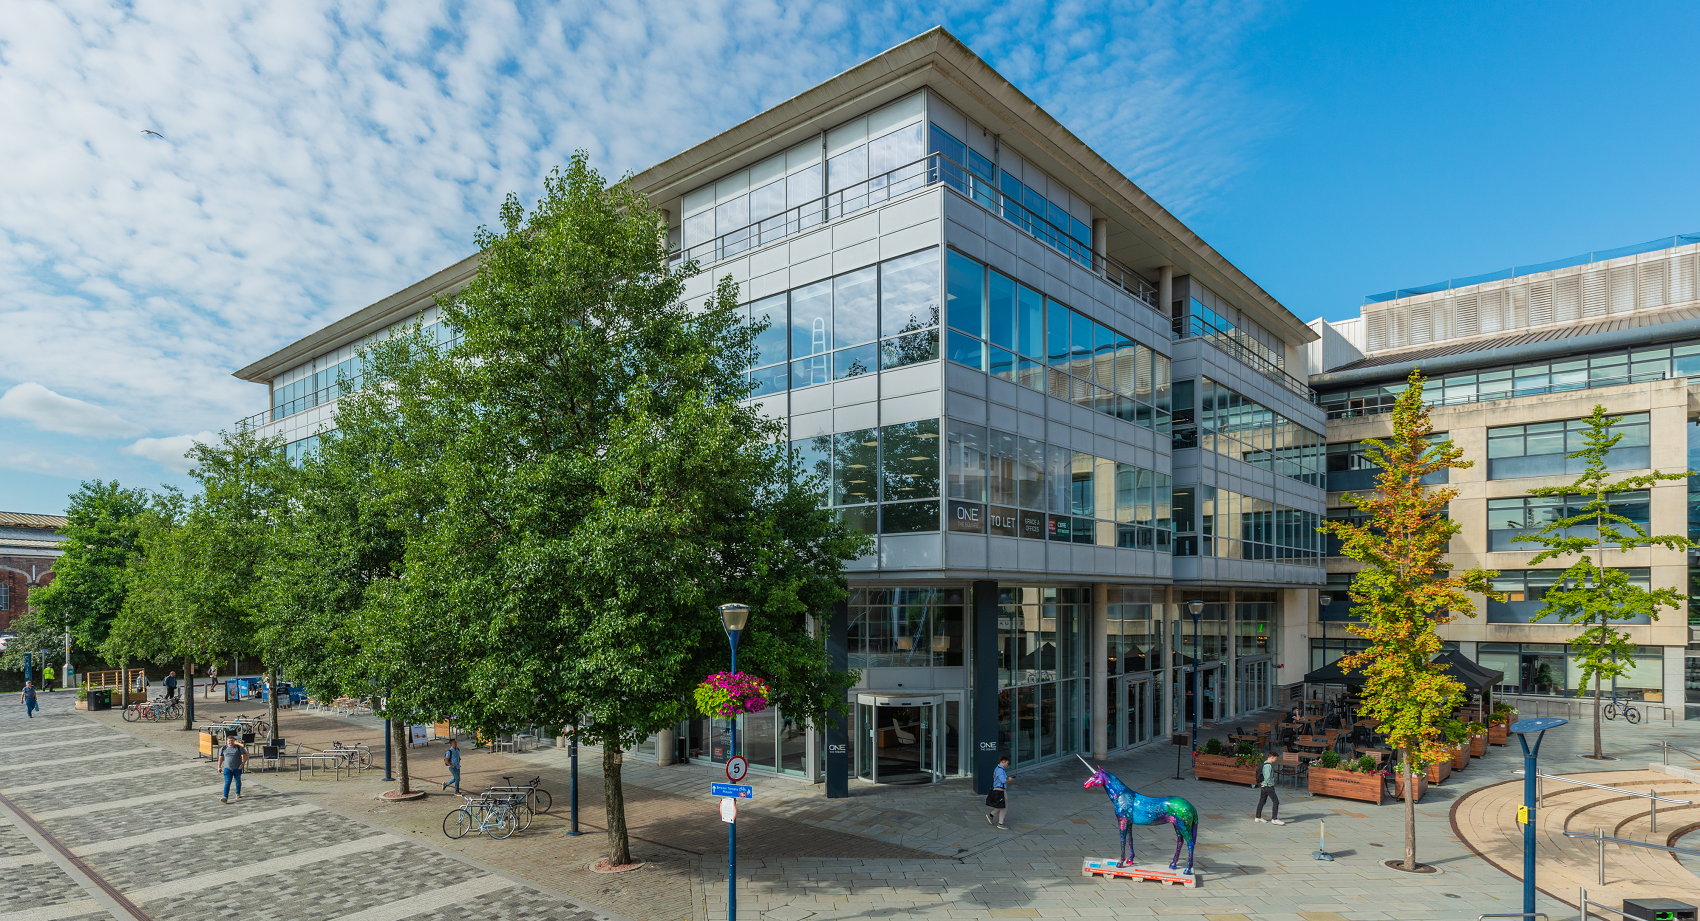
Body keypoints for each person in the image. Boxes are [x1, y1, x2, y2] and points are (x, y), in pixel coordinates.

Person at [1253, 753, 1284, 825]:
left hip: (1263, 786)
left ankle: (1258, 817)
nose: (1276, 759)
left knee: (1262, 801)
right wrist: (1270, 785)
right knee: (1276, 802)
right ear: (1272, 757)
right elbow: (1267, 777)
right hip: (1268, 786)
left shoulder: (1264, 763)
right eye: (1275, 758)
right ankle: (1274, 819)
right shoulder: (1268, 766)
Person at [219, 736, 248, 803]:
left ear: (234, 741)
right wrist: (219, 766)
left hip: (237, 768)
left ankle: (238, 793)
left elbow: (246, 755)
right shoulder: (224, 748)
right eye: (229, 741)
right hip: (227, 769)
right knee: (227, 782)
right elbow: (220, 757)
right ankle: (225, 797)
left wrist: (242, 764)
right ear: (227, 741)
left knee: (237, 781)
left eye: (232, 740)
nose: (230, 742)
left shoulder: (238, 748)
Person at [985, 755, 1010, 829]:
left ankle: (991, 815)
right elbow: (1003, 781)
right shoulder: (1000, 770)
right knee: (1004, 806)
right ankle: (1000, 823)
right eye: (1007, 763)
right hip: (1000, 790)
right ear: (1003, 762)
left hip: (998, 789)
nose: (1007, 765)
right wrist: (1009, 780)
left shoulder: (998, 769)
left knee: (1001, 805)